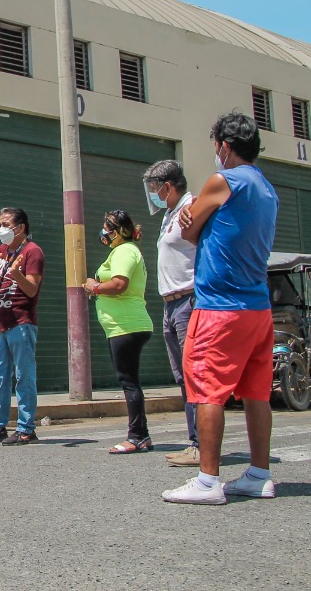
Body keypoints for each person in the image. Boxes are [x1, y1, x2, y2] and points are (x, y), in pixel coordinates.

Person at [162, 112, 279, 505]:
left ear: (224, 146)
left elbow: (189, 230)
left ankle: (208, 481)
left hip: (219, 306)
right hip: (257, 308)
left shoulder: (223, 180)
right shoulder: (266, 187)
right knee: (256, 393)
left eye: (215, 145)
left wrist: (189, 217)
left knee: (207, 391)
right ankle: (259, 475)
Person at [0, 207, 44, 446]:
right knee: (0, 375)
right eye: (0, 224)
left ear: (20, 228)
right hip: (1, 323)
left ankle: (26, 428)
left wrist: (16, 275)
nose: (1, 229)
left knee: (24, 376)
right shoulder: (4, 250)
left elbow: (32, 289)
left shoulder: (32, 252)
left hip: (21, 322)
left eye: (6, 224)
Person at [143, 159, 200, 466]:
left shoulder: (193, 207)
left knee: (194, 376)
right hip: (171, 304)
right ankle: (195, 442)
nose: (152, 194)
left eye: (154, 189)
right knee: (182, 377)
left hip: (189, 302)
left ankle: (201, 445)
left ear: (168, 186)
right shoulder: (169, 214)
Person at [84, 210, 154, 454]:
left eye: (106, 228)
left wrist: (95, 287)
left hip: (126, 325)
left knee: (129, 382)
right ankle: (141, 436)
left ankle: (136, 437)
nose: (103, 233)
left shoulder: (125, 251)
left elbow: (120, 284)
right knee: (130, 381)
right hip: (125, 325)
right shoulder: (125, 251)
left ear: (116, 232)